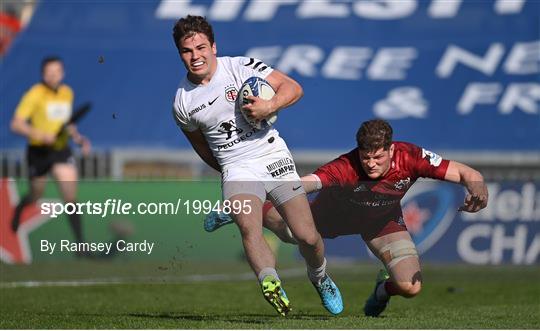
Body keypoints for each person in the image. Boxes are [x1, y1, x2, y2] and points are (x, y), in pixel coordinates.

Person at [205, 119, 488, 317]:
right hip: (328, 218)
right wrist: (253, 191)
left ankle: (381, 291)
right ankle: (241, 209)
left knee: (410, 287)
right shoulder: (346, 166)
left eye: (378, 157)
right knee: (289, 233)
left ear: (391, 150)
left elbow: (467, 174)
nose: (371, 163)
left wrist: (477, 187)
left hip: (382, 223)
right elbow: (303, 183)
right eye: (366, 157)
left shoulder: (411, 157)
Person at [170, 15, 342, 316]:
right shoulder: (182, 102)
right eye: (187, 51)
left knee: (305, 236)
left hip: (271, 155)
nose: (195, 56)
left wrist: (269, 106)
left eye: (200, 48)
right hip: (236, 166)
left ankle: (320, 277)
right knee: (249, 227)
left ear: (213, 46)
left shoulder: (241, 67)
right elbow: (200, 145)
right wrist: (227, 172)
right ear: (180, 53)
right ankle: (270, 282)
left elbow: (293, 88)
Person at [10, 56, 91, 253]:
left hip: (60, 151)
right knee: (36, 195)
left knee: (70, 196)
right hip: (38, 152)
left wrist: (79, 139)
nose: (53, 76)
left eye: (56, 72)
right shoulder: (34, 94)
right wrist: (39, 134)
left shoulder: (66, 93)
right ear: (42, 74)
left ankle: (81, 245)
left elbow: (67, 125)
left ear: (62, 73)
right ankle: (21, 207)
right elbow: (16, 124)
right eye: (49, 72)